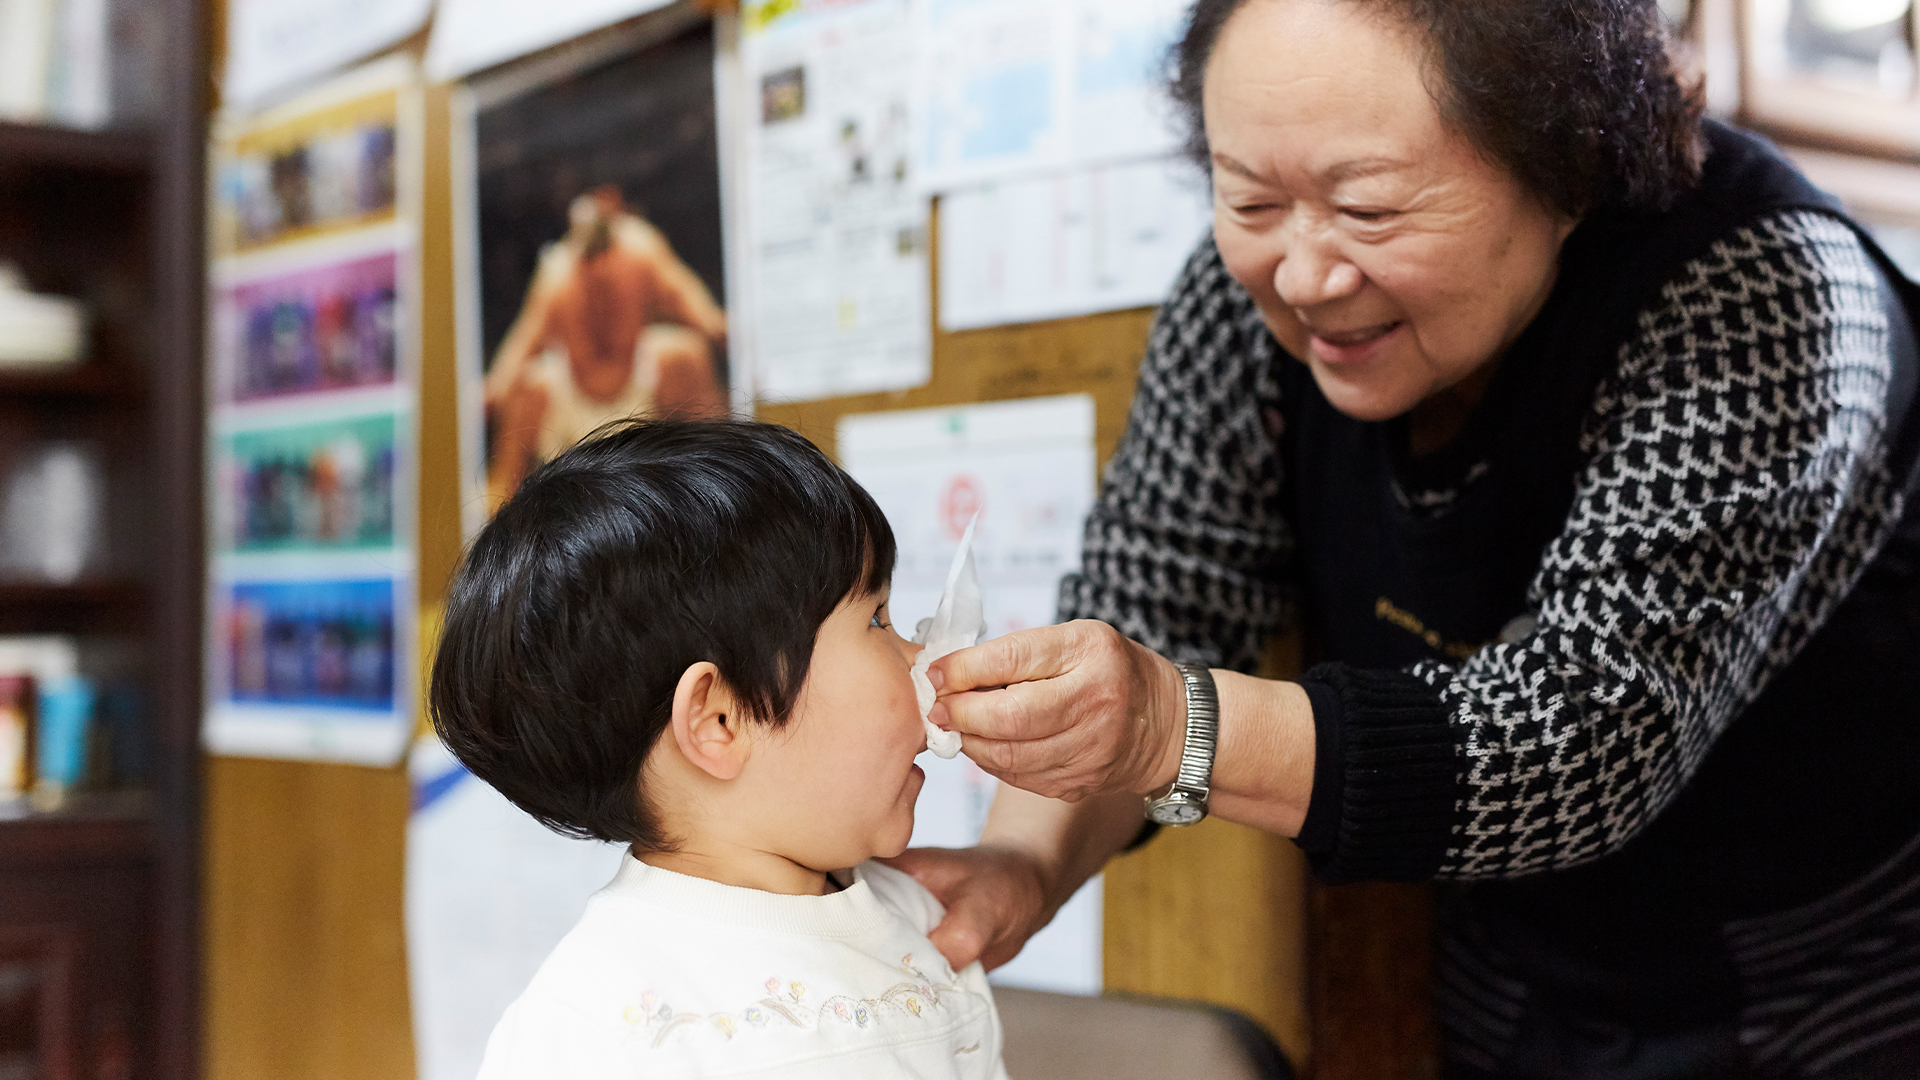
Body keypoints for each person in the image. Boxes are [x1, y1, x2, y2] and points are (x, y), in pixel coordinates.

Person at [892, 1, 1920, 1077]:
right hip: (1513, 970)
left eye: (1370, 210)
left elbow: (1591, 731)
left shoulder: (1761, 289)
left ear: (1567, 161)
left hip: (1835, 964)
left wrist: (1171, 724)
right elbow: (1156, 599)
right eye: (1247, 197)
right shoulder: (1245, 309)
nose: (1302, 276)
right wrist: (1020, 864)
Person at [430, 420, 1010, 1080]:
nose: (920, 656)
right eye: (877, 619)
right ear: (720, 720)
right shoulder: (587, 1031)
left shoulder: (919, 922)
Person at [484, 187, 730, 501]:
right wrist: (497, 386)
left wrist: (714, 324)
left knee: (684, 357)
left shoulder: (641, 248)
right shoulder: (557, 272)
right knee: (527, 389)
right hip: (570, 417)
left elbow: (683, 293)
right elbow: (526, 335)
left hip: (644, 400)